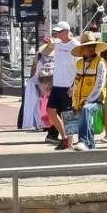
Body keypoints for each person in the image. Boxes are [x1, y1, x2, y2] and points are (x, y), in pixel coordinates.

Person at [69, 33, 107, 151]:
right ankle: (92, 150)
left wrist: (88, 100)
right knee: (88, 125)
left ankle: (82, 140)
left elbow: (99, 85)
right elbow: (77, 83)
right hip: (81, 101)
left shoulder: (100, 63)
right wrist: (74, 102)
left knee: (87, 110)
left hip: (96, 100)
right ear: (82, 48)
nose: (91, 48)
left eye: (93, 46)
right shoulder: (79, 64)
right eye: (88, 46)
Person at [46, 21, 81, 151]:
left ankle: (70, 143)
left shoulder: (76, 46)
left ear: (66, 31)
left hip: (68, 85)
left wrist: (74, 86)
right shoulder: (58, 46)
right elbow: (57, 65)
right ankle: (64, 137)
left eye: (60, 31)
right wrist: (51, 82)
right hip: (57, 84)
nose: (57, 34)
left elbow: (80, 68)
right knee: (50, 111)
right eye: (57, 32)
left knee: (68, 115)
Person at [22, 38, 56, 131]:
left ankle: (32, 124)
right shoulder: (56, 60)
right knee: (42, 105)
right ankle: (42, 124)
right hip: (50, 83)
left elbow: (35, 72)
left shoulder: (41, 59)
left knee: (33, 105)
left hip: (36, 83)